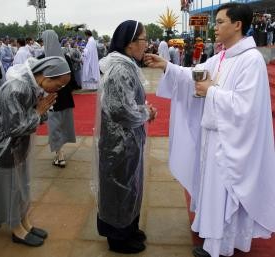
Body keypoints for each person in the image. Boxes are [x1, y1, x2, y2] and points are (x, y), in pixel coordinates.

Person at [144, 3, 275, 257]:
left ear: (237, 25)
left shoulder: (251, 60)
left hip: (231, 142)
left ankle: (219, 246)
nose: (215, 28)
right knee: (215, 190)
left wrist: (211, 92)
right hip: (215, 137)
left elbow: (246, 108)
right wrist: (167, 67)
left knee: (224, 190)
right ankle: (215, 237)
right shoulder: (223, 56)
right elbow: (196, 74)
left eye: (221, 22)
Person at [0, 56, 71, 247]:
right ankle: (16, 228)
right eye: (58, 85)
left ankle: (24, 221)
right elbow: (15, 128)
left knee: (22, 183)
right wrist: (39, 112)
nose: (57, 90)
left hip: (15, 145)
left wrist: (39, 112)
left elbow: (29, 121)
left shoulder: (33, 86)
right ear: (45, 76)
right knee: (12, 187)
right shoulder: (18, 88)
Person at [95, 20, 157, 254]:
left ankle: (129, 227)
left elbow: (127, 103)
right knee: (119, 188)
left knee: (131, 186)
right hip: (118, 144)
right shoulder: (120, 69)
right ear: (130, 44)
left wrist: (142, 110)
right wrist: (146, 112)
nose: (146, 44)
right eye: (143, 40)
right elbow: (120, 110)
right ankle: (118, 238)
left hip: (128, 139)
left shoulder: (126, 64)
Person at [41, 30, 76, 167]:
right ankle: (60, 153)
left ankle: (59, 154)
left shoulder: (42, 58)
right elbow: (72, 79)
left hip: (51, 98)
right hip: (65, 97)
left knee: (55, 127)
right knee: (61, 125)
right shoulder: (65, 57)